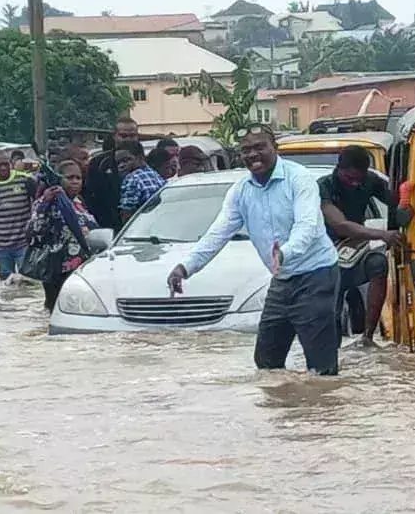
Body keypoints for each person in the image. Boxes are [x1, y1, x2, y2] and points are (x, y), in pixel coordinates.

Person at [167, 124, 341, 375]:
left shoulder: (299, 178)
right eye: (246, 150)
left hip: (316, 275)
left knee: (320, 367)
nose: (252, 155)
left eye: (260, 147)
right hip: (281, 280)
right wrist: (185, 267)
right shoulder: (241, 191)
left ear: (275, 148)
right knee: (266, 362)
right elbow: (218, 232)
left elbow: (309, 225)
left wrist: (286, 252)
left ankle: (324, 409)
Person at [319, 145, 402, 345]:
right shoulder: (323, 187)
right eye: (349, 179)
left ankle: (368, 336)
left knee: (378, 263)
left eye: (359, 180)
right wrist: (381, 235)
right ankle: (331, 347)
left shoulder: (370, 181)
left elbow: (396, 199)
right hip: (326, 254)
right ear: (338, 169)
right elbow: (340, 225)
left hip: (357, 253)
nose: (355, 184)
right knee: (333, 310)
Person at [27, 160, 98, 312]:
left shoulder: (79, 203)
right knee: (56, 309)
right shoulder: (48, 202)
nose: (75, 182)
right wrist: (45, 203)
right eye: (70, 178)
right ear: (59, 179)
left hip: (81, 266)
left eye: (78, 178)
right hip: (56, 268)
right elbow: (34, 231)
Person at [0, 151, 38, 282]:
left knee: (28, 279)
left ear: (11, 164)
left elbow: (37, 202)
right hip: (1, 243)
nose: (3, 168)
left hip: (23, 241)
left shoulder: (25, 179)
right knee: (6, 283)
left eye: (6, 164)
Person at [84, 117, 139, 231]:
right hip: (108, 227)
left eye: (132, 136)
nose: (128, 139)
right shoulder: (99, 163)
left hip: (140, 226)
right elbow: (91, 197)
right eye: (123, 136)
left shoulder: (145, 162)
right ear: (115, 136)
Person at [117, 139, 166, 224]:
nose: (121, 165)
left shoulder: (132, 178)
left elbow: (127, 214)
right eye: (118, 162)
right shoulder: (155, 175)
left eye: (126, 160)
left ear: (140, 158)